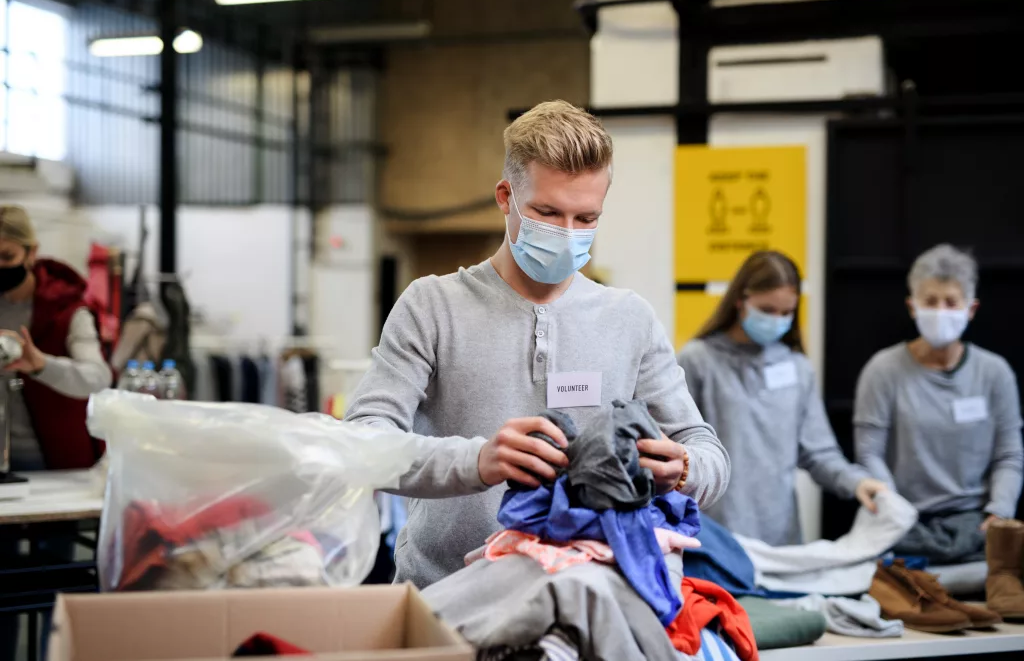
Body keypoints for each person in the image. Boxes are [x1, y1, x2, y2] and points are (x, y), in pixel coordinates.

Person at [345, 100, 730, 589]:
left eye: (586, 218)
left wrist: (684, 470)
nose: (568, 235)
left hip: (587, 598)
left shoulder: (629, 318)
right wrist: (477, 460)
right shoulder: (432, 306)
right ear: (506, 197)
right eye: (547, 212)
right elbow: (362, 441)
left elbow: (706, 451)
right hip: (443, 595)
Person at [677, 250, 886, 546]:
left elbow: (818, 452)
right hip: (714, 535)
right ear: (740, 300)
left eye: (786, 313)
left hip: (781, 536)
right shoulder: (698, 360)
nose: (777, 320)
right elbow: (679, 449)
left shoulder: (797, 367)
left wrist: (857, 482)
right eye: (767, 309)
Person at [854, 244, 1022, 558]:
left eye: (951, 302)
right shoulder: (883, 370)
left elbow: (1009, 455)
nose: (940, 311)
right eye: (930, 301)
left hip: (977, 525)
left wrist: (999, 514)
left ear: (971, 309)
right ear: (912, 306)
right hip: (904, 523)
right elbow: (869, 453)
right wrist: (894, 510)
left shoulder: (994, 373)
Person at [0, 205, 112, 661]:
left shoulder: (68, 309)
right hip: (4, 470)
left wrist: (41, 364)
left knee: (54, 581)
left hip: (58, 463)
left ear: (31, 253)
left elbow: (98, 376)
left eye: (5, 256)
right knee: (5, 587)